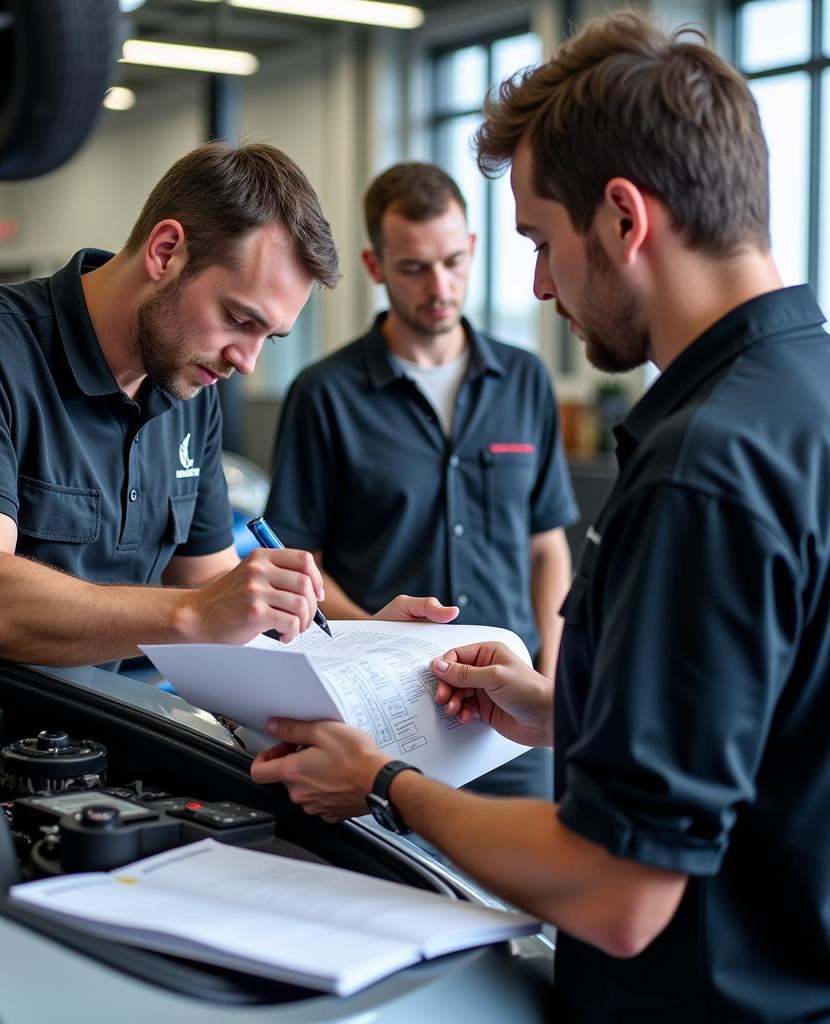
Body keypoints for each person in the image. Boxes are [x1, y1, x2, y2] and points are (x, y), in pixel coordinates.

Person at [250, 11, 830, 1021]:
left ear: (622, 218)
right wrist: (564, 707)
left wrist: (386, 781)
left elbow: (617, 893)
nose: (533, 284)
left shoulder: (704, 465)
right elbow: (772, 728)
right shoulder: (804, 398)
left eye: (538, 241)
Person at [0, 141, 451, 667]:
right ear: (165, 252)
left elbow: (208, 583)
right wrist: (193, 614)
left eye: (270, 337)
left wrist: (358, 641)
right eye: (238, 319)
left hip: (102, 741)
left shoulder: (189, 391)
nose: (247, 361)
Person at [264, 161, 578, 797]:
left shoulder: (525, 381)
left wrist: (554, 679)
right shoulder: (324, 395)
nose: (440, 285)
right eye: (413, 268)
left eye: (452, 262)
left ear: (473, 250)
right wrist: (377, 638)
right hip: (385, 717)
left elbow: (547, 547)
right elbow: (302, 567)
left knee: (514, 895)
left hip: (514, 716)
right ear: (376, 267)